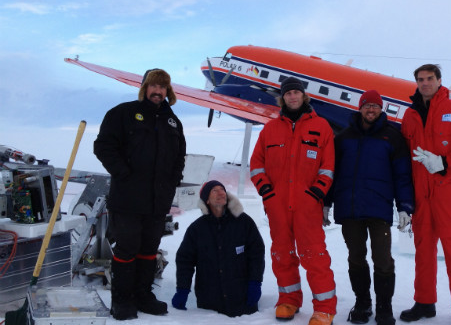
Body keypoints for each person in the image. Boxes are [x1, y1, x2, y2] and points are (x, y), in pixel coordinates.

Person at [94, 68, 186, 320]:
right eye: (153, 86)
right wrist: (124, 174)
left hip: (158, 201)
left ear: (168, 91)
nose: (158, 91)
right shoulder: (122, 114)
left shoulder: (173, 122)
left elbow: (179, 158)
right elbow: (103, 146)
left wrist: (171, 183)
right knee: (127, 248)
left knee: (149, 249)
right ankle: (122, 300)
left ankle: (143, 295)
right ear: (145, 88)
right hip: (128, 199)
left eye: (162, 87)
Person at [399, 65, 451, 325]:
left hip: (449, 194)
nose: (425, 83)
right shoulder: (410, 116)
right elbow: (403, 157)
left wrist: (445, 162)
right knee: (423, 251)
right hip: (421, 195)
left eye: (429, 79)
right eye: (420, 80)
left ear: (439, 81)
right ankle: (425, 303)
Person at [250, 76, 337, 325]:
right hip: (277, 205)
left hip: (308, 205)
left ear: (304, 95)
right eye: (288, 93)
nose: (293, 97)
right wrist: (267, 191)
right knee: (282, 254)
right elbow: (257, 164)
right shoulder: (270, 129)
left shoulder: (322, 127)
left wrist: (315, 194)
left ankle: (324, 308)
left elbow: (328, 167)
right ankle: (288, 300)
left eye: (296, 92)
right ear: (283, 97)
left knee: (315, 255)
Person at [325, 90, 414, 325]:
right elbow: (331, 174)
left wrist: (404, 206)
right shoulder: (343, 138)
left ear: (381, 109)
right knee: (356, 258)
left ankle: (384, 307)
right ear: (360, 108)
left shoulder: (392, 138)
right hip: (350, 209)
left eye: (375, 106)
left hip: (379, 210)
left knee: (383, 259)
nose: (371, 110)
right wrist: (326, 203)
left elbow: (402, 175)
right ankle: (362, 303)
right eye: (367, 106)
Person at [171, 180, 265, 317]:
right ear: (206, 201)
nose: (221, 192)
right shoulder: (197, 229)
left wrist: (255, 282)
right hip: (209, 303)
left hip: (242, 300)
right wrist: (182, 289)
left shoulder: (244, 222)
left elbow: (257, 254)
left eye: (222, 189)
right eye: (215, 190)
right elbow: (185, 260)